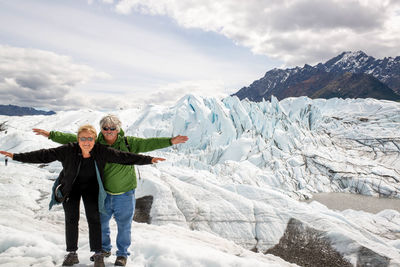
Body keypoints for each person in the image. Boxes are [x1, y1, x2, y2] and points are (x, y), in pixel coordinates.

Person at [33, 114, 188, 266]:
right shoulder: (96, 142)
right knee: (101, 224)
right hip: (103, 193)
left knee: (124, 226)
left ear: (118, 129)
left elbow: (149, 143)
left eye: (112, 128)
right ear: (101, 129)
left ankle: (122, 254)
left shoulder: (129, 142)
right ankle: (104, 249)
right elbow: (72, 140)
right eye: (105, 128)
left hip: (125, 193)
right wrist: (50, 135)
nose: (108, 131)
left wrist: (171, 141)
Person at [1, 124, 165, 267]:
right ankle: (72, 253)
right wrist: (16, 156)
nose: (86, 142)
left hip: (91, 187)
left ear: (95, 139)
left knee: (94, 219)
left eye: (90, 139)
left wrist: (149, 159)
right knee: (71, 219)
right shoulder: (68, 150)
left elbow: (124, 157)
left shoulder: (101, 151)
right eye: (83, 139)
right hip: (70, 187)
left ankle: (98, 254)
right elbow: (44, 154)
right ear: (78, 139)